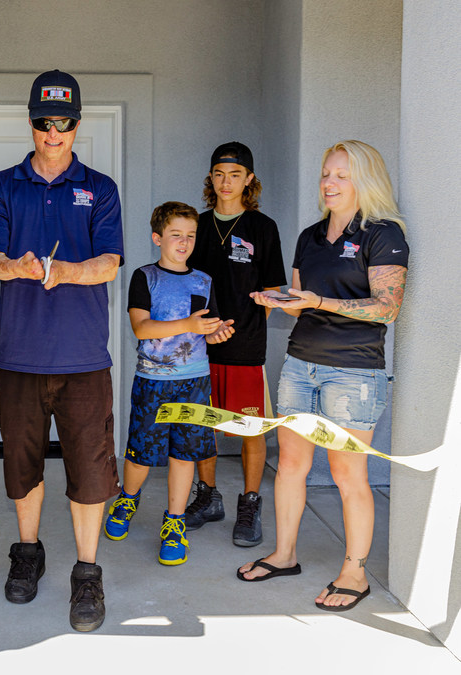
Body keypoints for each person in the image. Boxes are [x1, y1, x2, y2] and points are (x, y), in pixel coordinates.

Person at [0, 69, 123, 632]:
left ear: (77, 124)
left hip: (85, 358)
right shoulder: (1, 186)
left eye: (63, 122)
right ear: (32, 123)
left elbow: (109, 261)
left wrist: (62, 271)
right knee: (22, 462)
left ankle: (87, 574)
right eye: (43, 122)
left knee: (90, 471)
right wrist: (16, 266)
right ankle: (28, 553)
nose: (53, 132)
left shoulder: (101, 188)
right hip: (20, 357)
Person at [237, 140, 408, 613]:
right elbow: (301, 297)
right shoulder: (310, 236)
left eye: (341, 175)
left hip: (353, 372)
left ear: (364, 181)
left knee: (347, 473)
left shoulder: (383, 233)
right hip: (299, 364)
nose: (329, 183)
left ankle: (355, 573)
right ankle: (284, 554)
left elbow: (387, 309)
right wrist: (281, 299)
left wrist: (318, 302)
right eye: (325, 174)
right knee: (290, 465)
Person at [103, 202, 235, 565]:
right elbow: (142, 328)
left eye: (191, 235)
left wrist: (217, 333)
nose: (184, 242)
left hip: (194, 381)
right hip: (153, 382)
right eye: (176, 234)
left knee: (185, 453)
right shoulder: (145, 277)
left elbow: (206, 328)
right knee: (142, 453)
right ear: (157, 238)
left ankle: (174, 522)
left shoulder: (204, 281)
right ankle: (128, 497)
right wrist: (189, 326)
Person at [185, 142, 286, 546]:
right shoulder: (196, 224)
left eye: (235, 175)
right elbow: (184, 282)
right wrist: (205, 330)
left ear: (250, 180)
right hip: (198, 345)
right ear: (211, 178)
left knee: (250, 430)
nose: (226, 182)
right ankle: (208, 497)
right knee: (202, 426)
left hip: (245, 348)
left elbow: (273, 291)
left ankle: (250, 502)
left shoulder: (263, 228)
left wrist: (240, 329)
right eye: (219, 174)